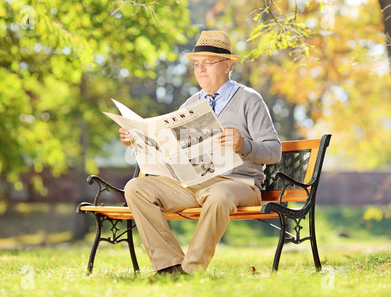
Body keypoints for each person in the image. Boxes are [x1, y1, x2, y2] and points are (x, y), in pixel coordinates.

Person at [119, 30, 281, 275]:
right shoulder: (191, 104)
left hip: (239, 184)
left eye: (207, 63)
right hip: (193, 183)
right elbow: (171, 146)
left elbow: (274, 151)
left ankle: (191, 270)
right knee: (136, 188)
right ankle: (169, 266)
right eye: (196, 64)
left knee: (218, 194)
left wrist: (243, 145)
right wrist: (138, 140)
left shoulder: (250, 100)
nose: (200, 69)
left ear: (227, 65)